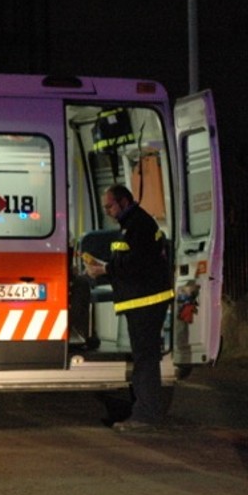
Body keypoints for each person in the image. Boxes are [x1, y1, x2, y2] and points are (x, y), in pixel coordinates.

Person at [84, 184, 173, 432]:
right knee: (144, 358)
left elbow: (137, 263)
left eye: (110, 206)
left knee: (145, 360)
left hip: (146, 302)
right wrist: (106, 265)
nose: (108, 212)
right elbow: (130, 259)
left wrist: (105, 269)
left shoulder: (138, 225)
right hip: (142, 301)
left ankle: (145, 416)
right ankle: (144, 411)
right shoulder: (133, 224)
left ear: (124, 202)